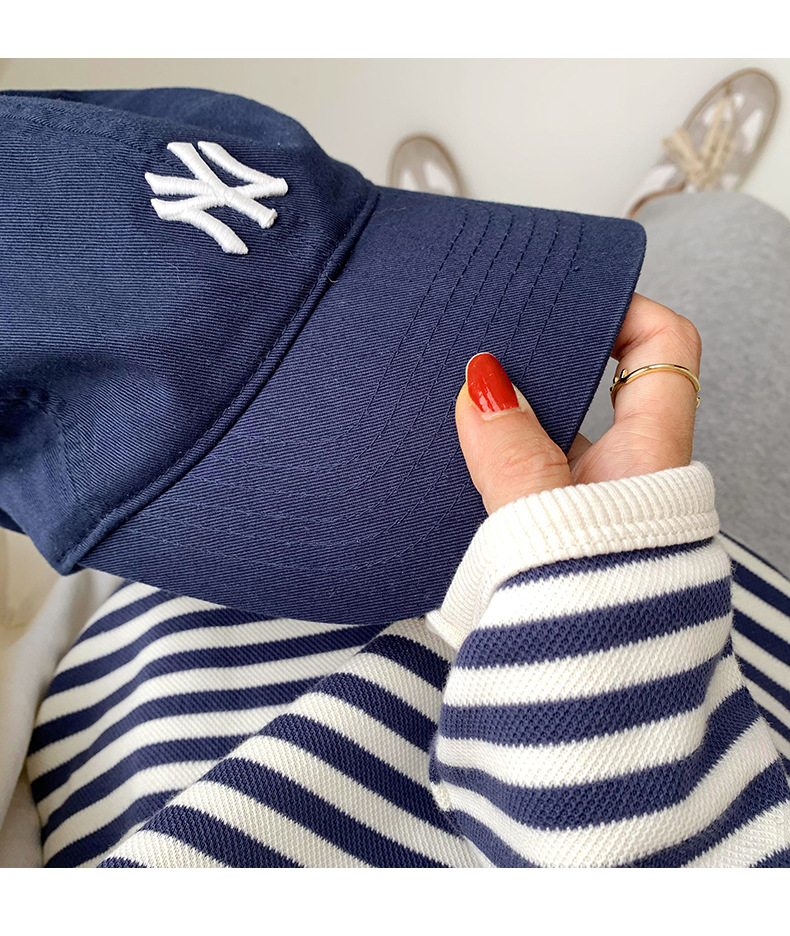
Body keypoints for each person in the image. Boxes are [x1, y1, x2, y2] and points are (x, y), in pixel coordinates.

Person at [2, 69, 789, 868]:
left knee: (686, 259)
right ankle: (665, 210)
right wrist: (602, 657)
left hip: (160, 656)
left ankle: (400, 275)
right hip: (719, 683)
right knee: (732, 242)